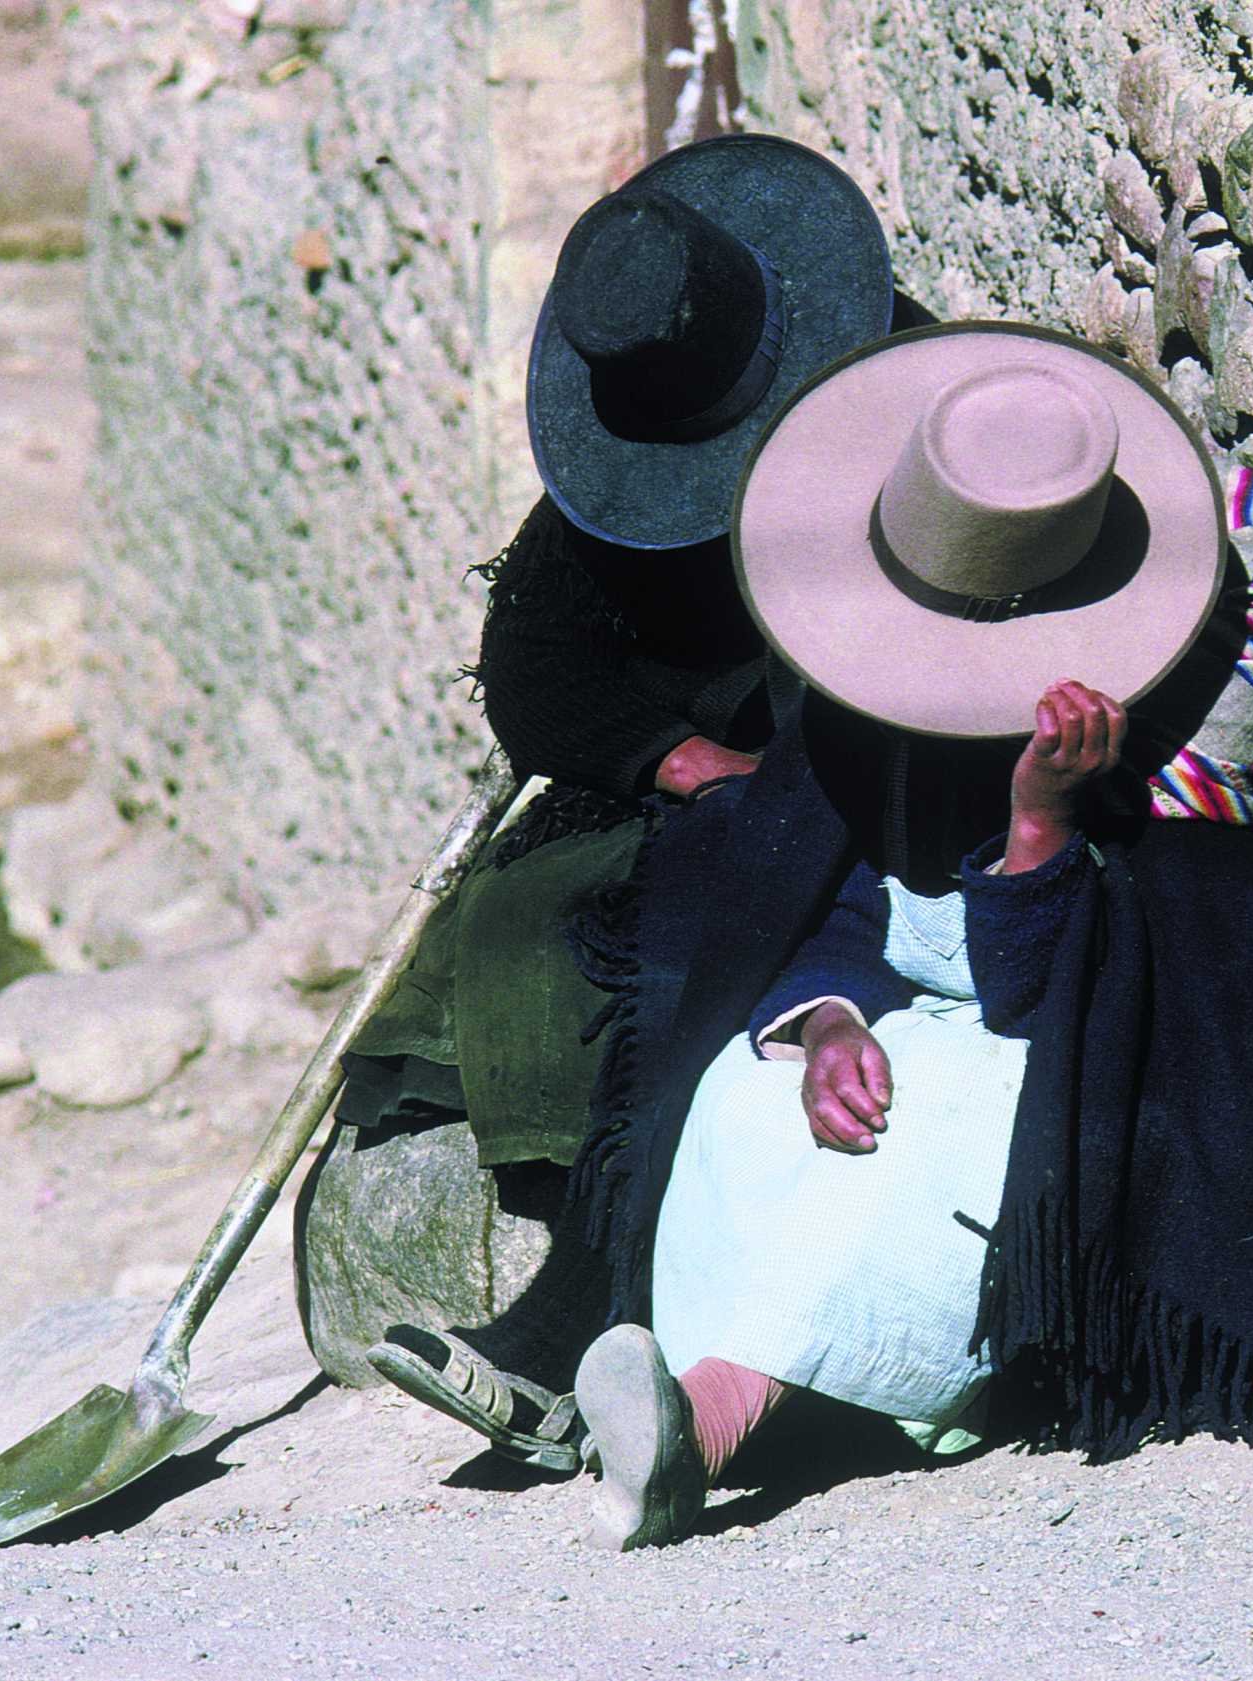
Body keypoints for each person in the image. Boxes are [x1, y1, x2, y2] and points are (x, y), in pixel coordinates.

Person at [565, 321, 1253, 1548]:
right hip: (908, 1001)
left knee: (935, 1135)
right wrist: (827, 1018)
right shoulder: (880, 679)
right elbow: (841, 887)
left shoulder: (1187, 751)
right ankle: (712, 1394)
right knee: (748, 1105)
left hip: (1039, 1033)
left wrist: (1039, 820)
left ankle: (709, 1421)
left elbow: (1063, 1000)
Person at [326, 133, 899, 1472]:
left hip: (874, 769)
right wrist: (680, 762)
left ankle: (589, 1314)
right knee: (561, 916)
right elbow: (531, 666)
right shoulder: (623, 469)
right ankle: (576, 1315)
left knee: (714, 924)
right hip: (724, 786)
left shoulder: (895, 384)